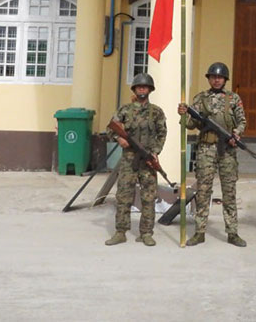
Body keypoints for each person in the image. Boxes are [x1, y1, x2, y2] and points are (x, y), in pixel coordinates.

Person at [177, 62, 247, 247]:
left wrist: (236, 133)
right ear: (209, 79)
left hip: (227, 150)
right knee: (203, 191)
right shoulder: (200, 99)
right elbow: (191, 125)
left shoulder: (233, 99)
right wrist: (184, 115)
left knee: (229, 191)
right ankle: (199, 232)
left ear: (225, 80)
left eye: (220, 77)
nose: (217, 80)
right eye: (213, 77)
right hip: (206, 149)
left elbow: (242, 121)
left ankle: (232, 232)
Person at [104, 73, 167, 246]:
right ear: (134, 89)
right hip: (129, 160)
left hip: (147, 161)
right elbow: (110, 129)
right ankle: (120, 232)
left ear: (150, 90)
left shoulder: (157, 112)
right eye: (139, 86)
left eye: (145, 87)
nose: (142, 89)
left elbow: (162, 134)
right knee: (124, 196)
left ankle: (146, 233)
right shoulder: (125, 110)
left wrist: (155, 152)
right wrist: (119, 139)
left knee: (149, 197)